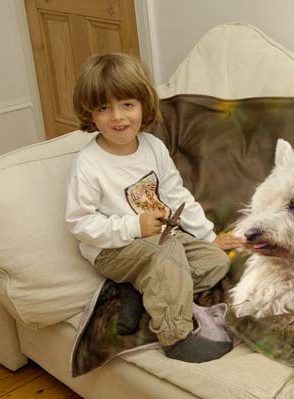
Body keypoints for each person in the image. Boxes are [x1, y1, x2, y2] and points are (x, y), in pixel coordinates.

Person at [66, 52, 243, 363]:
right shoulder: (88, 164)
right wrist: (134, 227)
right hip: (113, 249)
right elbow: (81, 224)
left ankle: (139, 290)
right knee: (166, 257)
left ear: (143, 105)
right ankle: (176, 337)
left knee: (216, 262)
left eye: (127, 105)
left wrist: (207, 236)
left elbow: (177, 195)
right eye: (104, 108)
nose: (118, 117)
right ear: (90, 113)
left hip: (162, 242)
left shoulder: (153, 147)